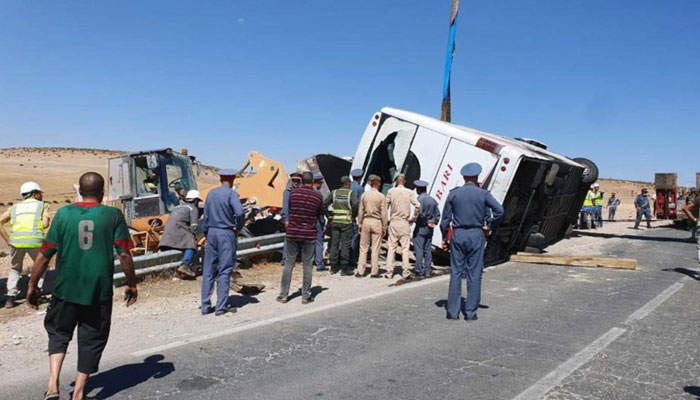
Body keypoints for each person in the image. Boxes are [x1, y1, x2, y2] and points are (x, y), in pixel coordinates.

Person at [26, 172, 138, 400]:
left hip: (65, 289)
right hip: (98, 292)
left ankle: (52, 385)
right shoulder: (113, 215)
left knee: (58, 333)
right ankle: (78, 394)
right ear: (102, 191)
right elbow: (125, 254)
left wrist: (32, 284)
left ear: (80, 191)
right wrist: (132, 283)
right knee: (92, 339)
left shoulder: (64, 214)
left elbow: (45, 254)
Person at [440, 163, 504, 322]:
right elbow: (499, 211)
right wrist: (489, 226)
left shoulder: (454, 194)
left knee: (456, 272)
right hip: (476, 234)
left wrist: (444, 238)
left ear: (463, 177)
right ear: (477, 177)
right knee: (474, 273)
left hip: (458, 234)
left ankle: (453, 312)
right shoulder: (483, 194)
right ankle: (470, 312)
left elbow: (445, 221)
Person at [0, 181, 51, 308]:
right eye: (40, 193)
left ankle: (10, 298)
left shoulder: (14, 207)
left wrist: (7, 239)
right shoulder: (42, 206)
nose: (41, 195)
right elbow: (45, 224)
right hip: (35, 241)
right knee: (41, 266)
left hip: (16, 242)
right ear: (35, 194)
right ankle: (36, 293)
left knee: (15, 269)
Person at [201, 169, 245, 316]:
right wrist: (238, 227)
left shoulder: (211, 193)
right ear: (232, 179)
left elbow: (205, 216)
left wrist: (206, 232)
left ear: (220, 178)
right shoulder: (232, 194)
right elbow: (240, 212)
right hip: (226, 233)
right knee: (224, 270)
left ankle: (205, 306)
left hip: (212, 232)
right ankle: (221, 307)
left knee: (208, 270)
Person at [278, 172, 324, 304]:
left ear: (302, 181)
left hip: (293, 233)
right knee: (307, 265)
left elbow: (289, 210)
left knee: (288, 264)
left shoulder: (293, 193)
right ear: (313, 181)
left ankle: (283, 295)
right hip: (309, 234)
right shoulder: (317, 196)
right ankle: (305, 296)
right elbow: (320, 215)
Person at [158, 190, 203, 279]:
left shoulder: (177, 207)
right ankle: (185, 265)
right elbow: (194, 227)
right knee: (191, 242)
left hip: (167, 234)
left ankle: (169, 272)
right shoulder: (192, 208)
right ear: (196, 201)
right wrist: (197, 236)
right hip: (179, 230)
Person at [385, 173, 420, 279]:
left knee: (391, 247)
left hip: (394, 221)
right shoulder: (409, 192)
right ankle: (405, 272)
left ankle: (389, 272)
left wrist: (386, 219)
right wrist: (413, 218)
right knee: (405, 248)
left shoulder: (391, 191)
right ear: (404, 181)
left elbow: (385, 206)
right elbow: (418, 205)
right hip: (405, 222)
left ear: (396, 181)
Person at [325, 176, 359, 275]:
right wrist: (353, 215)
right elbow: (356, 204)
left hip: (335, 222)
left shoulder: (334, 193)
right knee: (345, 245)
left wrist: (329, 216)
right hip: (347, 222)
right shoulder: (350, 193)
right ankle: (344, 268)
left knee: (334, 244)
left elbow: (324, 204)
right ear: (348, 183)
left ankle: (333, 267)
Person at [356, 175, 388, 278]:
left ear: (370, 183)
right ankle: (374, 271)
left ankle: (361, 271)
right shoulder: (381, 196)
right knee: (375, 247)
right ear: (378, 184)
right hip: (377, 222)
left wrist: (360, 223)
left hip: (366, 221)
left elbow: (360, 210)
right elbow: (384, 213)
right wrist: (384, 226)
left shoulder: (364, 195)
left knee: (363, 247)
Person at [413, 180, 440, 280]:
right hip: (430, 229)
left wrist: (425, 221)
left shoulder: (420, 199)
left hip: (421, 227)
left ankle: (419, 270)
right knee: (428, 249)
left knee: (419, 249)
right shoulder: (432, 200)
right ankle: (427, 270)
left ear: (419, 189)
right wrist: (433, 221)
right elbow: (438, 214)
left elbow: (420, 213)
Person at [280, 172, 302, 266]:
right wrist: (286, 219)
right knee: (289, 239)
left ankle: (295, 258)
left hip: (299, 219)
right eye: (294, 181)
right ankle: (285, 259)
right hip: (291, 218)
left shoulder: (301, 191)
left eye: (297, 181)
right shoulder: (288, 192)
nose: (296, 183)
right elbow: (285, 207)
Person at [349, 168, 365, 266]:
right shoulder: (360, 188)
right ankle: (352, 259)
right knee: (354, 238)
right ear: (360, 177)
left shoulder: (348, 187)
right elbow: (361, 204)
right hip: (354, 216)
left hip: (346, 215)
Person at [313, 173, 327, 271]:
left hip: (307, 221)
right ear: (317, 183)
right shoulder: (318, 194)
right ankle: (319, 264)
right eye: (321, 183)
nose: (321, 185)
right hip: (316, 221)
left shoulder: (307, 192)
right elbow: (320, 211)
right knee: (319, 242)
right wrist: (323, 223)